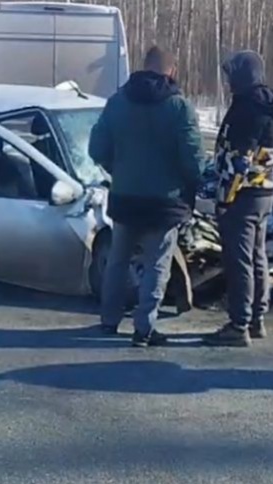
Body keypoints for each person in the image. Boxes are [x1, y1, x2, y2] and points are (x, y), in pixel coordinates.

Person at [89, 46, 206, 347]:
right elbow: (194, 161)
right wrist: (186, 183)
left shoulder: (117, 102)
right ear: (172, 70)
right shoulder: (180, 107)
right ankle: (144, 328)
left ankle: (109, 320)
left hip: (125, 196)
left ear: (144, 67)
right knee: (157, 265)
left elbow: (96, 149)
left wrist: (120, 170)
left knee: (118, 260)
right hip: (165, 202)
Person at [201, 50, 273, 347]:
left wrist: (224, 198)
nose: (227, 82)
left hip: (242, 194)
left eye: (230, 75)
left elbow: (238, 160)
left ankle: (238, 324)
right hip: (265, 192)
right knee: (257, 257)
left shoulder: (247, 109)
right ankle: (256, 318)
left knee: (239, 260)